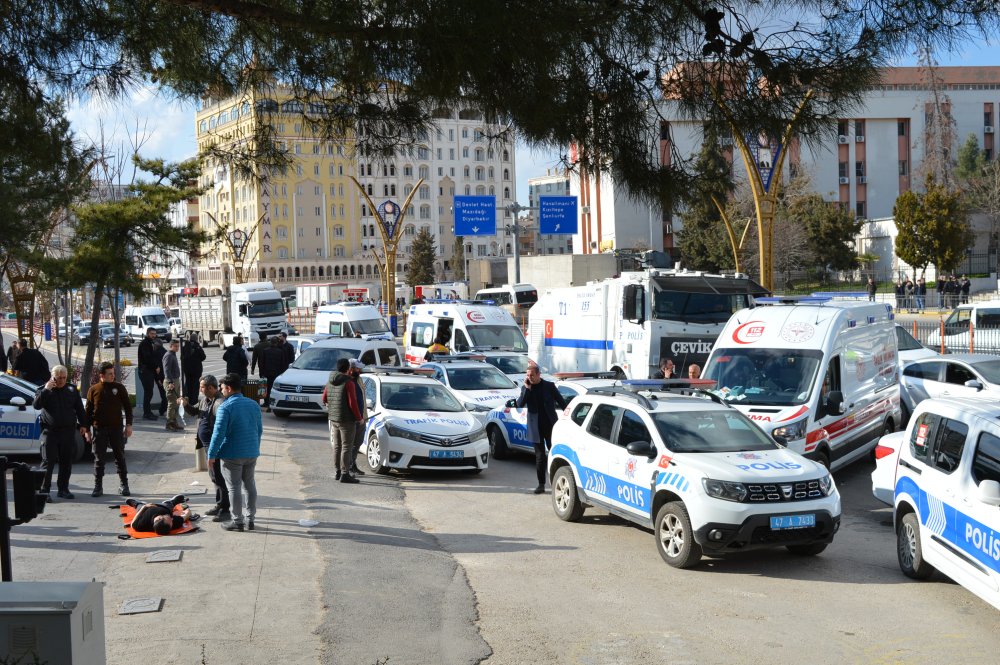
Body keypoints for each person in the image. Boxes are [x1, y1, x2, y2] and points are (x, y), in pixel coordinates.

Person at [207, 373, 263, 532]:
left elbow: (218, 434)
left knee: (234, 487)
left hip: (232, 454)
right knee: (249, 485)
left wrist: (211, 455)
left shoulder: (225, 407)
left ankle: (237, 521)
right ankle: (250, 519)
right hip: (251, 452)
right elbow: (259, 430)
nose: (221, 391)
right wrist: (255, 447)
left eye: (222, 388)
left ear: (229, 388)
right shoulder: (253, 404)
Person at [33, 365, 90, 501]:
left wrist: (84, 425)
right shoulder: (43, 390)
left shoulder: (71, 389)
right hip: (50, 433)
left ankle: (63, 489)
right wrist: (47, 389)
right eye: (59, 378)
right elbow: (36, 405)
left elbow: (79, 409)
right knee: (48, 462)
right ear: (53, 377)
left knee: (66, 462)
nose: (62, 380)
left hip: (68, 432)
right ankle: (44, 491)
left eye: (64, 378)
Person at [181, 375, 229, 522]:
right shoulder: (204, 400)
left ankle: (225, 508)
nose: (200, 389)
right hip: (207, 444)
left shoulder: (220, 403)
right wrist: (185, 404)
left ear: (211, 388)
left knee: (218, 476)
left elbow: (222, 427)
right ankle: (219, 504)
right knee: (213, 476)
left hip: (215, 446)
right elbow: (195, 412)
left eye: (202, 387)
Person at [516, 364, 569, 494]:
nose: (529, 378)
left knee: (555, 453)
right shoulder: (526, 388)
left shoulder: (549, 386)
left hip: (550, 425)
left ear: (539, 374)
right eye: (527, 375)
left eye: (532, 375)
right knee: (540, 456)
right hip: (535, 427)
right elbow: (520, 404)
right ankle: (541, 484)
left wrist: (569, 417)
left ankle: (559, 480)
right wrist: (527, 389)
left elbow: (562, 403)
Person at [85, 361, 133, 497]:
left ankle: (124, 484)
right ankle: (98, 486)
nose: (113, 376)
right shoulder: (93, 390)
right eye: (110, 374)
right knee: (99, 459)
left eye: (113, 373)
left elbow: (128, 408)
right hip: (99, 429)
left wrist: (128, 425)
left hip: (116, 428)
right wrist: (87, 431)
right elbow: (88, 412)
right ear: (102, 375)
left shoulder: (119, 388)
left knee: (120, 456)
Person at [322, 357, 362, 483]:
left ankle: (337, 471)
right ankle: (345, 473)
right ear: (348, 369)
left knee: (337, 446)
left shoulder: (330, 380)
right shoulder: (348, 382)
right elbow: (352, 403)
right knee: (347, 447)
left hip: (334, 418)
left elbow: (324, 398)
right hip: (346, 420)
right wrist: (359, 418)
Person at [126, 495, 193, 535]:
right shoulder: (172, 524)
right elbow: (186, 515)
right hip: (164, 507)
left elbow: (132, 525)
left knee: (139, 507)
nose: (172, 518)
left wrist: (144, 507)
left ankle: (136, 503)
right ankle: (171, 502)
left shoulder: (141, 524)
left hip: (146, 509)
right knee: (168, 506)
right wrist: (187, 510)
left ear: (159, 518)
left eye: (170, 519)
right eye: (171, 519)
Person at [137, 328, 166, 420]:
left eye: (155, 334)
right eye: (152, 334)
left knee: (149, 392)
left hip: (148, 370)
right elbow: (147, 358)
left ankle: (148, 412)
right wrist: (156, 367)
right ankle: (147, 413)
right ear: (148, 334)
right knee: (148, 392)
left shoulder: (150, 343)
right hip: (145, 371)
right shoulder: (145, 344)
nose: (154, 335)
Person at [348, 358, 367, 477]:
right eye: (357, 368)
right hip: (351, 419)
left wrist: (363, 416)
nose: (360, 370)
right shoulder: (346, 381)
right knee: (349, 444)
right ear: (351, 369)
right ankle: (347, 467)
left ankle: (353, 464)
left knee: (358, 443)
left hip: (362, 417)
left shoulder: (359, 379)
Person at [260, 336, 290, 411]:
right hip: (277, 373)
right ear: (276, 343)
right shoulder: (280, 351)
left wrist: (262, 373)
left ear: (271, 342)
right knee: (275, 389)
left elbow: (261, 363)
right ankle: (273, 404)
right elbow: (283, 364)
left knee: (267, 388)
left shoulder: (265, 351)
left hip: (267, 373)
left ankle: (267, 403)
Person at [162, 339, 183, 431]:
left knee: (176, 403)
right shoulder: (168, 355)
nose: (177, 348)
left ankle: (174, 422)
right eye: (175, 346)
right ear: (170, 346)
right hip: (171, 381)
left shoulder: (173, 354)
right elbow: (166, 370)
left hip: (175, 380)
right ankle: (169, 423)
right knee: (171, 403)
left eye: (178, 346)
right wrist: (170, 382)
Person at [180, 333, 206, 405]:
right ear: (196, 338)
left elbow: (181, 357)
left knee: (188, 383)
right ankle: (194, 400)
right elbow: (203, 357)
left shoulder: (185, 346)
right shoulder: (197, 347)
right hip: (196, 369)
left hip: (187, 369)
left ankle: (187, 399)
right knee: (195, 384)